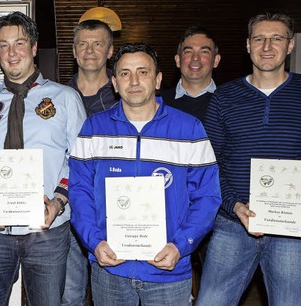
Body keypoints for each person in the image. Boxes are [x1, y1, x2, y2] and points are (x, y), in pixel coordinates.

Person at [197, 12, 301, 306]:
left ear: (290, 45)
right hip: (233, 226)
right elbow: (209, 165)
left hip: (294, 231)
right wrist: (234, 205)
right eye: (259, 38)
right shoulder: (224, 97)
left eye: (277, 38)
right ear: (248, 45)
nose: (267, 46)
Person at [69, 42, 221, 305]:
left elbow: (207, 197)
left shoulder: (189, 129)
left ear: (158, 79)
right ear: (115, 83)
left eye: (143, 71)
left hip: (168, 268)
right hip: (110, 268)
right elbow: (79, 191)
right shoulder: (93, 128)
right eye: (125, 73)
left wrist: (181, 245)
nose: (134, 80)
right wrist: (94, 242)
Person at [0, 11, 86, 306]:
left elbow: (81, 159)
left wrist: (57, 202)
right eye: (4, 45)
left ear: (33, 47)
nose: (11, 52)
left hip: (48, 231)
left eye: (19, 43)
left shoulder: (65, 98)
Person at [63, 18, 118, 306]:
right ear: (74, 51)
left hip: (117, 209)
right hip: (71, 208)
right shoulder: (56, 99)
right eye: (82, 44)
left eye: (98, 44)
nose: (90, 50)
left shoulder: (127, 95)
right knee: (70, 294)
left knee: (111, 295)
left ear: (110, 51)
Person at [162, 25, 221, 121]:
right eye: (188, 52)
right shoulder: (158, 104)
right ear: (178, 60)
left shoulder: (231, 103)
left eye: (204, 52)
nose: (195, 58)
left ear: (216, 60)